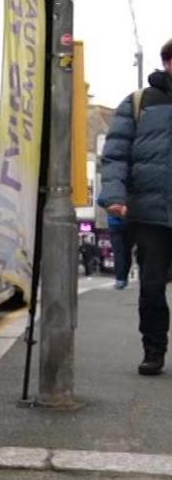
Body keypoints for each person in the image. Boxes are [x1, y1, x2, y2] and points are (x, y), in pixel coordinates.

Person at [99, 38, 172, 375]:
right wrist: (114, 196)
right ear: (167, 62)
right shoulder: (139, 103)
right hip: (150, 213)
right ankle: (153, 350)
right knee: (153, 286)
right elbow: (115, 155)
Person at [109, 208, 134, 290]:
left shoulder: (111, 194)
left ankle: (120, 280)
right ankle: (124, 278)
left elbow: (101, 200)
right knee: (127, 252)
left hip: (115, 224)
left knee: (118, 253)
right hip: (130, 222)